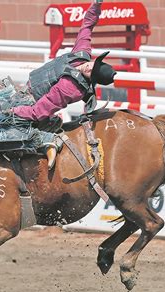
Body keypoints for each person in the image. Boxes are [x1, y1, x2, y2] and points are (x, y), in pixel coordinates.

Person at [10, 0, 116, 169]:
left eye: (92, 72)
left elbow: (38, 112)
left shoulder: (70, 88)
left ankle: (42, 147)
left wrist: (12, 111)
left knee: (1, 130)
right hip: (25, 94)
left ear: (92, 79)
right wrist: (96, 5)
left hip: (30, 103)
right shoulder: (82, 54)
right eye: (94, 65)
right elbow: (87, 25)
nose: (89, 67)